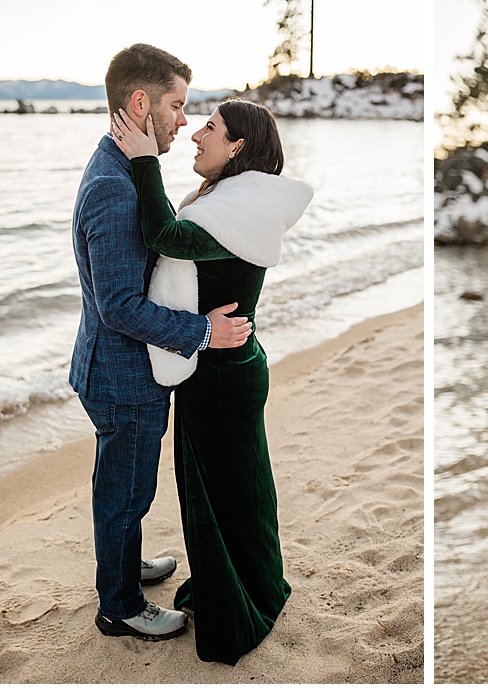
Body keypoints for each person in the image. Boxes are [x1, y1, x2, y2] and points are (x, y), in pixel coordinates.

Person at [111, 97, 312, 664]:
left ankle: (237, 610)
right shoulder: (238, 200)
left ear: (238, 146)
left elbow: (165, 237)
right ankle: (254, 585)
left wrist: (145, 159)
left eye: (210, 127)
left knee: (218, 494)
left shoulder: (235, 209)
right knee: (239, 493)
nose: (197, 134)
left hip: (221, 374)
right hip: (230, 367)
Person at [73, 43, 251, 643]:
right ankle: (119, 605)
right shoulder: (114, 187)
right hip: (122, 374)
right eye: (177, 105)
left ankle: (125, 566)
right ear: (141, 102)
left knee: (128, 484)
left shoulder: (123, 169)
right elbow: (118, 306)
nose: (183, 120)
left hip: (122, 367)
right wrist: (205, 333)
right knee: (125, 491)